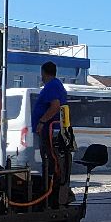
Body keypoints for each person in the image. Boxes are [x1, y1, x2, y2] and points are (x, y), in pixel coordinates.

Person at [30, 61, 68, 202]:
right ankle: (50, 186)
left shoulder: (52, 86)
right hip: (49, 130)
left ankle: (50, 188)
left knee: (49, 159)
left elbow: (55, 106)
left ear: (44, 72)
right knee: (50, 160)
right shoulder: (55, 85)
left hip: (49, 130)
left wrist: (42, 121)